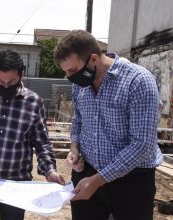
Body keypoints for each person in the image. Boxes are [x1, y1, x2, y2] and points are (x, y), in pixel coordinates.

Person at [54, 30, 164, 220]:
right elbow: (79, 119)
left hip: (131, 181)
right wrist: (74, 148)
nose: (70, 76)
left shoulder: (138, 81)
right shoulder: (80, 84)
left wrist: (99, 180)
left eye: (72, 70)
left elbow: (143, 145)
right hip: (87, 174)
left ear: (93, 59)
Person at [0, 50, 65, 220]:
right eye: (0, 81)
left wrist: (49, 171)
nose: (6, 86)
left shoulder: (34, 102)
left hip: (17, 183)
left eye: (12, 82)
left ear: (21, 75)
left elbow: (41, 143)